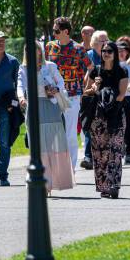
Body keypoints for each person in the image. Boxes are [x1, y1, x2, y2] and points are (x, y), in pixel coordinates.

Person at [17, 41, 74, 195]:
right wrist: (22, 98)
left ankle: (51, 182)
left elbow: (61, 82)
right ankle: (42, 182)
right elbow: (20, 85)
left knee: (52, 147)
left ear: (40, 51)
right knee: (38, 147)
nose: (32, 53)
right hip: (34, 108)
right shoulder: (23, 68)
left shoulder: (50, 66)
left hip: (52, 107)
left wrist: (55, 89)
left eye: (35, 50)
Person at [45, 17, 94, 172]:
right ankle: (54, 167)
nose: (54, 34)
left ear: (66, 31)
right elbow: (44, 68)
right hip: (52, 95)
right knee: (52, 131)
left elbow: (91, 68)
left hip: (72, 95)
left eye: (56, 31)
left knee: (71, 133)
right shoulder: (49, 47)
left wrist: (84, 87)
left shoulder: (79, 49)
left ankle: (70, 168)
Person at [84, 42, 128, 198]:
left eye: (109, 51)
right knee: (100, 152)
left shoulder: (121, 71)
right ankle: (104, 187)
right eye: (103, 51)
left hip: (115, 113)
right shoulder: (95, 71)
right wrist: (95, 88)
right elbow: (86, 91)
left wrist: (108, 100)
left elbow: (122, 93)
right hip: (98, 116)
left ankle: (114, 186)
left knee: (115, 151)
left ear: (115, 53)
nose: (106, 53)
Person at [0, 31, 20, 186]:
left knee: (4, 142)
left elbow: (18, 86)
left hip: (5, 108)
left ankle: (3, 176)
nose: (1, 43)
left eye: (3, 40)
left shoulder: (13, 62)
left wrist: (13, 105)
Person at [81, 29, 109, 169]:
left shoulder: (110, 55)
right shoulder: (88, 56)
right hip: (91, 95)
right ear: (94, 43)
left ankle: (102, 155)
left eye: (106, 40)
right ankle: (88, 156)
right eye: (101, 41)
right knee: (89, 125)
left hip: (106, 96)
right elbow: (83, 76)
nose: (105, 44)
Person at [117, 41, 130, 165]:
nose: (121, 52)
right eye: (119, 50)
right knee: (117, 126)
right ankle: (119, 151)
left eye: (124, 50)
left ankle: (129, 152)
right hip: (117, 98)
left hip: (129, 98)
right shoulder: (112, 65)